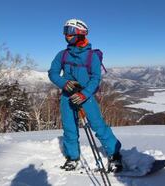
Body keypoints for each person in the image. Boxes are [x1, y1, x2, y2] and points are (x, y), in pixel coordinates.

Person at [48, 19, 122, 173]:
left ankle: (114, 155)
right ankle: (73, 157)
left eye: (68, 31)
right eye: (65, 31)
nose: (65, 35)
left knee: (98, 126)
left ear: (79, 33)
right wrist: (63, 83)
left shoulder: (91, 57)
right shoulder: (62, 55)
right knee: (69, 128)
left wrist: (84, 94)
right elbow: (53, 73)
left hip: (86, 97)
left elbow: (96, 78)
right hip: (67, 97)